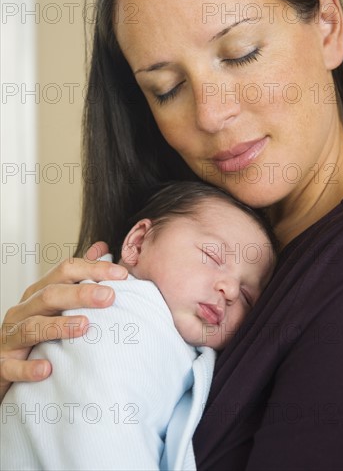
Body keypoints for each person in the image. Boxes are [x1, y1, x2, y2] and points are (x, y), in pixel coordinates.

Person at [1, 0, 343, 469]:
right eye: (166, 89)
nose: (210, 114)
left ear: (329, 25)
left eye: (240, 53)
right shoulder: (156, 289)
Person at [1, 181, 276, 471]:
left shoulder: (172, 337)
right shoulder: (115, 315)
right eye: (212, 256)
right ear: (138, 243)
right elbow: (98, 430)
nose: (231, 291)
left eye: (247, 296)